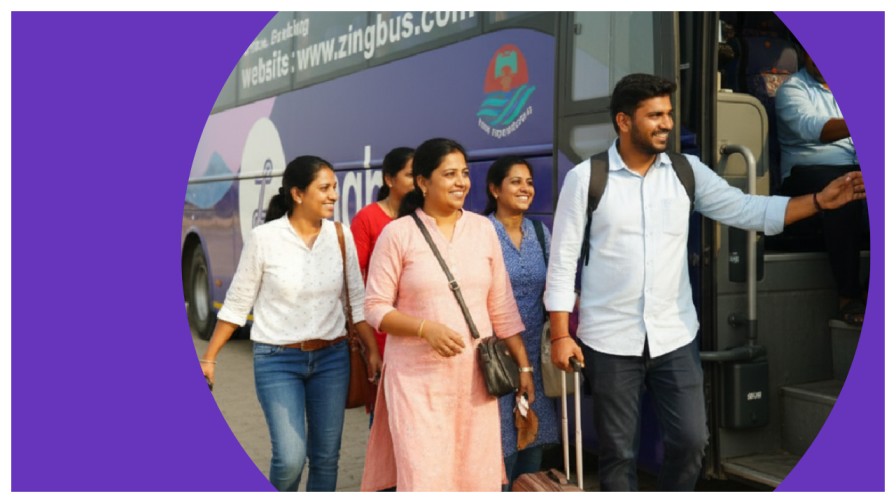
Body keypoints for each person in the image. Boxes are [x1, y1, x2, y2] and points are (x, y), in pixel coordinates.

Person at [545, 73, 865, 491]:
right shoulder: (587, 178)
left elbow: (748, 209)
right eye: (654, 115)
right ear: (624, 122)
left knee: (692, 441)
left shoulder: (685, 171)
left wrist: (820, 201)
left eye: (669, 114)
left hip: (674, 335)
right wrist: (559, 336)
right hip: (610, 340)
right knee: (619, 451)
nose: (666, 123)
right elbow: (563, 258)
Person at [360, 138, 535, 491]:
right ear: (423, 182)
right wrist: (425, 329)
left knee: (475, 476)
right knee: (424, 476)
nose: (461, 182)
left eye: (465, 174)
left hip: (475, 382)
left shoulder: (483, 229)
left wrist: (525, 367)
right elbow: (375, 307)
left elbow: (501, 307)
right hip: (416, 383)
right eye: (450, 174)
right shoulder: (398, 234)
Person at [199, 155, 382, 492]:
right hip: (277, 360)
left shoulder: (340, 236)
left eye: (334, 188)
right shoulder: (264, 238)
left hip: (332, 359)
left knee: (326, 457)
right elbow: (238, 303)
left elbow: (357, 301)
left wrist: (372, 351)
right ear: (297, 194)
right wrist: (209, 358)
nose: (333, 195)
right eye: (324, 188)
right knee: (290, 457)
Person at [776, 46, 869, 325]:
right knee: (845, 189)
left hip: (854, 168)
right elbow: (812, 127)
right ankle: (848, 297)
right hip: (806, 173)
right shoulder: (792, 89)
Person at [482, 156, 560, 490]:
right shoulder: (481, 232)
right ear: (494, 189)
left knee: (533, 445)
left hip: (534, 358)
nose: (525, 188)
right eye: (515, 182)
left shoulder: (541, 233)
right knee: (500, 450)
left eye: (528, 181)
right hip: (496, 359)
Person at [351, 146, 415, 361]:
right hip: (382, 326)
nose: (417, 181)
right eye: (409, 175)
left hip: (420, 326)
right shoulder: (368, 217)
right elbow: (354, 279)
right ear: (389, 179)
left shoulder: (424, 217)